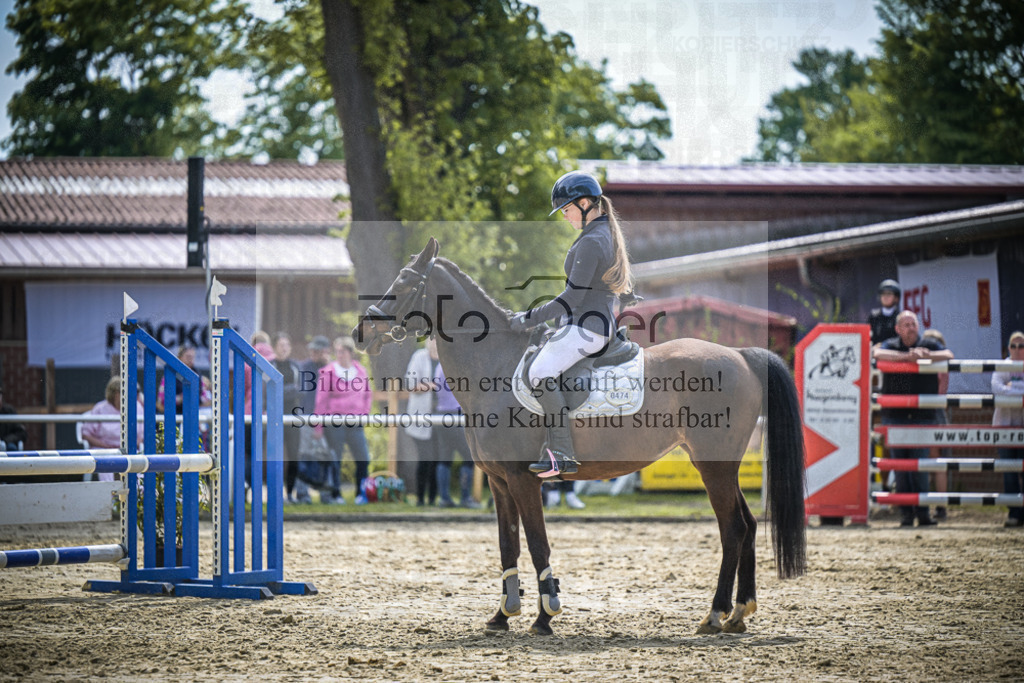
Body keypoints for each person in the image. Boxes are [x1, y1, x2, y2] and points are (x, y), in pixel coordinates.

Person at [510, 170, 634, 478]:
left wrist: (528, 318)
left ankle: (561, 453)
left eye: (566, 209)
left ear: (584, 204)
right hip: (589, 323)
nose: (565, 217)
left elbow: (571, 298)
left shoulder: (592, 241)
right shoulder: (602, 234)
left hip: (587, 327)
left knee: (538, 373)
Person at [873, 311, 954, 527]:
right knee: (900, 467)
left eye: (914, 324)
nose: (911, 328)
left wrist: (927, 356)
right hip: (895, 416)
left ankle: (923, 513)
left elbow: (948, 354)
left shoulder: (928, 344)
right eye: (906, 325)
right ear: (897, 329)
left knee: (920, 466)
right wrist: (907, 357)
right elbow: (877, 353)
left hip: (922, 416)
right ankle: (906, 515)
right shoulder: (891, 344)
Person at [313, 336, 372, 505]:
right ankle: (335, 494)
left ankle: (361, 494)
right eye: (337, 351)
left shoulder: (360, 371)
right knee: (335, 459)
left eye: (343, 351)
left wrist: (364, 414)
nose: (339, 354)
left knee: (363, 458)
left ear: (350, 353)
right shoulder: (328, 372)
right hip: (335, 422)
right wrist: (318, 426)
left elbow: (367, 395)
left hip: (355, 423)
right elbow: (321, 400)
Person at [432, 357, 482, 509]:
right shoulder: (454, 365)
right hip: (454, 415)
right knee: (469, 457)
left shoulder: (440, 365)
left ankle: (444, 498)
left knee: (445, 458)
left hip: (441, 414)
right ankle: (465, 498)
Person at [80, 377, 144, 481]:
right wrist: (106, 446)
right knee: (104, 460)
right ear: (114, 394)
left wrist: (131, 445)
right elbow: (86, 434)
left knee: (138, 460)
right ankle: (110, 491)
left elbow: (142, 435)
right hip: (103, 448)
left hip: (129, 448)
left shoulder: (137, 407)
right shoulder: (100, 408)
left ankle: (138, 490)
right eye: (122, 392)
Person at [991, 331, 1024, 527]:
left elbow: (1004, 389)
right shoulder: (1002, 366)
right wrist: (1019, 392)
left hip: (1022, 428)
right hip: (1004, 427)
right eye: (1013, 346)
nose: (1017, 350)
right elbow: (996, 388)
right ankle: (1014, 513)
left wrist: (1011, 387)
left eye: (1021, 346)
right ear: (1008, 348)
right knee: (1009, 472)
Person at [404, 338, 439, 506]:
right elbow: (411, 385)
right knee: (425, 459)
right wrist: (432, 386)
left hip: (442, 418)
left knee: (438, 460)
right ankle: (420, 498)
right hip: (421, 417)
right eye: (433, 339)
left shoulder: (447, 358)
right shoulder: (419, 357)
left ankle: (433, 499)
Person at [922, 328, 950, 520]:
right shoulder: (939, 364)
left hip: (932, 411)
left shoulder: (938, 365)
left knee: (935, 460)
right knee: (930, 461)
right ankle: (934, 505)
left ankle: (939, 506)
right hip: (930, 411)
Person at [271, 332, 302, 504]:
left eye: (286, 345)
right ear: (274, 347)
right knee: (275, 457)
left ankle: (290, 493)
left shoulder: (295, 366)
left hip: (293, 418)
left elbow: (302, 390)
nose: (284, 348)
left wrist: (283, 391)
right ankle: (276, 493)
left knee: (293, 455)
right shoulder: (270, 365)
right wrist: (290, 390)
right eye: (281, 345)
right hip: (275, 417)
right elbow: (268, 392)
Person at [155, 345, 212, 413]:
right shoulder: (169, 375)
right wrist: (180, 398)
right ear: (179, 358)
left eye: (192, 357)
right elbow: (161, 401)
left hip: (194, 414)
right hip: (174, 414)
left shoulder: (198, 376)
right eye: (188, 357)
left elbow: (204, 397)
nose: (190, 359)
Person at [868, 279, 901, 347]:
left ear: (896, 298)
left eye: (889, 294)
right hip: (875, 351)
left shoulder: (900, 317)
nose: (885, 297)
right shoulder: (873, 316)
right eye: (883, 294)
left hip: (894, 351)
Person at [0, 383, 28, 451]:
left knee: (11, 447)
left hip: (6, 446)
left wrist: (5, 441)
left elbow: (22, 433)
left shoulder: (9, 411)